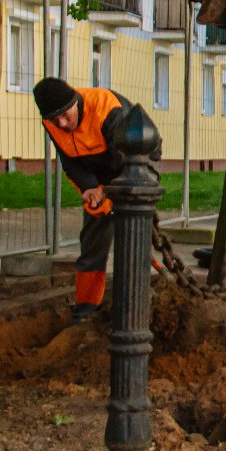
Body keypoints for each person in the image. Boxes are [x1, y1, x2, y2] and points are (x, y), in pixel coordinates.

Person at [33, 76, 143, 321]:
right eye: (54, 119)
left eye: (65, 115)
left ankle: (135, 306)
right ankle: (86, 307)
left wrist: (111, 193)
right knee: (93, 240)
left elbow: (127, 159)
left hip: (136, 166)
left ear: (75, 102)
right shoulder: (53, 123)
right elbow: (70, 161)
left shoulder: (106, 109)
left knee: (134, 235)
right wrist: (90, 189)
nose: (61, 123)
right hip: (97, 172)